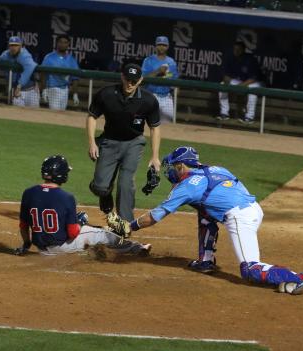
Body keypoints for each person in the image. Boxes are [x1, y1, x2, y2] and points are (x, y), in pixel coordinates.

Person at [104, 146, 303, 295]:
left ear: (181, 166)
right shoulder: (217, 169)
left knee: (249, 269)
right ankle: (205, 260)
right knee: (204, 210)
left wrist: (130, 226)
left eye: (173, 167)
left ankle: (301, 278)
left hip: (239, 218)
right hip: (254, 208)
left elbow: (157, 215)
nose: (171, 171)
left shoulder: (186, 186)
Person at [13, 155, 151, 256]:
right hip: (63, 247)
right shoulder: (66, 197)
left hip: (42, 250)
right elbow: (73, 232)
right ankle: (137, 248)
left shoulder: (28, 193)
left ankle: (90, 252)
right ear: (61, 175)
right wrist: (80, 221)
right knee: (103, 234)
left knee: (88, 232)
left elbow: (24, 225)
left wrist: (26, 245)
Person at [86, 62, 161, 221]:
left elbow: (155, 128)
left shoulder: (148, 100)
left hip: (134, 143)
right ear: (122, 77)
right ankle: (105, 193)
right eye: (127, 79)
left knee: (126, 183)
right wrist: (92, 142)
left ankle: (125, 223)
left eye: (134, 81)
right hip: (109, 142)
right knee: (100, 187)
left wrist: (155, 156)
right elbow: (92, 116)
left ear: (140, 80)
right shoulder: (106, 94)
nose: (130, 84)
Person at [216, 40, 262, 124]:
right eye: (235, 49)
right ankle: (224, 113)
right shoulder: (230, 58)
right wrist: (229, 82)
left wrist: (240, 86)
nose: (236, 51)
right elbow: (225, 75)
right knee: (222, 85)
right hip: (239, 82)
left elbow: (254, 78)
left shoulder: (250, 59)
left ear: (243, 50)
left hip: (252, 83)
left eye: (238, 49)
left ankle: (249, 117)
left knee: (253, 89)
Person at [0, 36, 39, 107]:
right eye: (11, 45)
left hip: (30, 90)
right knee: (17, 113)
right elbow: (0, 58)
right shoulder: (6, 54)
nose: (13, 48)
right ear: (8, 46)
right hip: (15, 90)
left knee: (34, 115)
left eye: (16, 45)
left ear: (20, 46)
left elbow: (30, 67)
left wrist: (19, 85)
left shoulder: (24, 55)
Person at [141, 35, 179, 123]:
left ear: (168, 47)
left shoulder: (171, 62)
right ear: (156, 46)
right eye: (159, 44)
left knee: (168, 128)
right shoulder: (148, 60)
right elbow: (143, 79)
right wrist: (158, 71)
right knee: (148, 124)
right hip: (151, 95)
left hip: (167, 98)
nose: (162, 47)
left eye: (164, 45)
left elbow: (174, 79)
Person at [40, 35, 80, 110]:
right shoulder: (49, 57)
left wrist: (75, 94)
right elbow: (43, 74)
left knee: (62, 113)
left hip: (65, 90)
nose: (63, 44)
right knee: (55, 113)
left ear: (68, 44)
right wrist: (43, 90)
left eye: (65, 42)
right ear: (57, 43)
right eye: (60, 42)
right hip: (52, 89)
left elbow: (75, 78)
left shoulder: (71, 59)